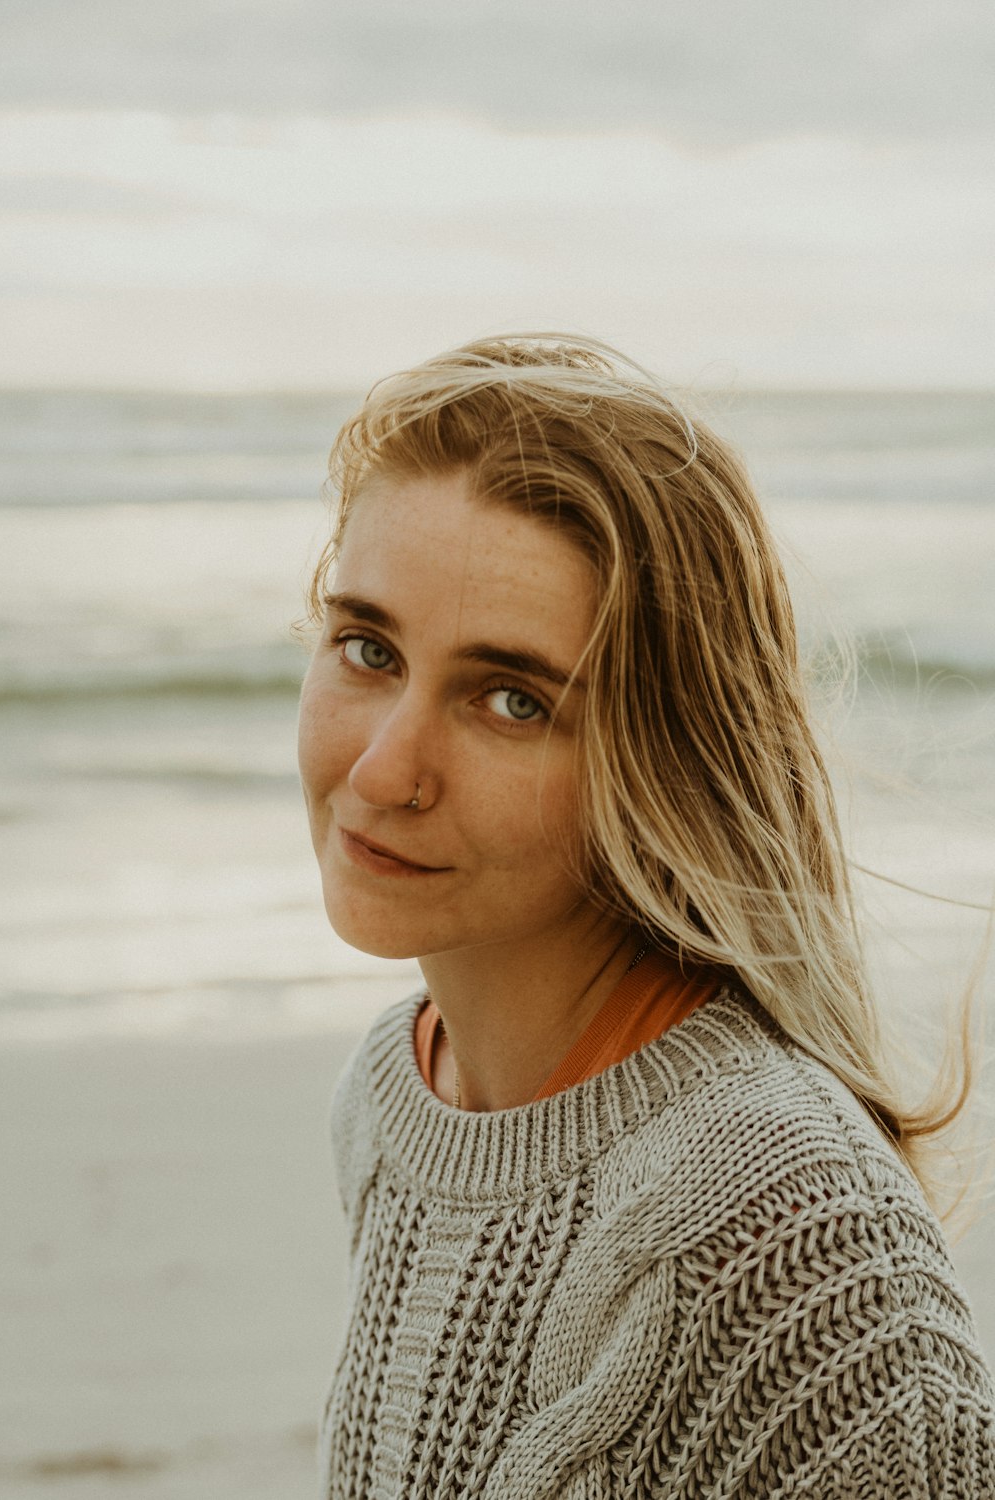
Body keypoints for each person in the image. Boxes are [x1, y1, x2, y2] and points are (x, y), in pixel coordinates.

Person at [297, 334, 994, 1498]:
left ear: (664, 758)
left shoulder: (796, 1237)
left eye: (510, 699)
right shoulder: (390, 1096)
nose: (381, 771)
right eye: (367, 648)